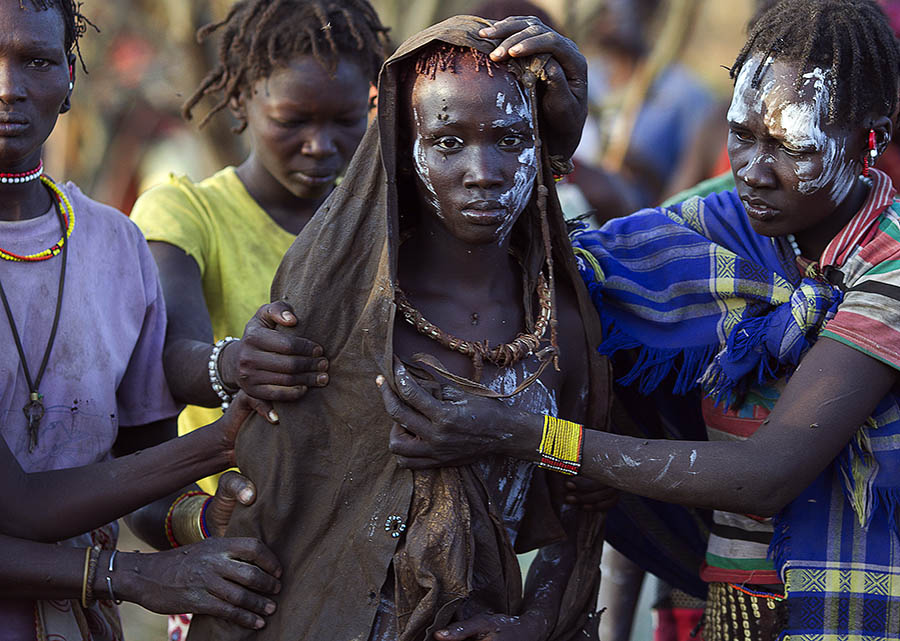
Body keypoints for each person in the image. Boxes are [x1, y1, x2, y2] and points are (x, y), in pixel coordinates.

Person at [379, 1, 900, 640]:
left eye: (793, 147)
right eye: (742, 136)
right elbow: (539, 273)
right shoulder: (708, 226)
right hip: (725, 607)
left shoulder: (890, 266)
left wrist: (529, 435)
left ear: (872, 135)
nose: (754, 171)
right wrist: (557, 139)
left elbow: (767, 474)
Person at [187, 14, 610, 641]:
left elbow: (583, 498)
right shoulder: (340, 306)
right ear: (400, 148)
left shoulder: (561, 321)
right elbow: (279, 496)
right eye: (447, 142)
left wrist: (541, 616)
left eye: (510, 140)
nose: (483, 171)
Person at [0, 0, 285, 637]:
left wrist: (211, 522)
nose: (7, 88)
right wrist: (129, 574)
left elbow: (144, 481)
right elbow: (19, 509)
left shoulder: (116, 246)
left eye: (37, 61)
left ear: (70, 80)